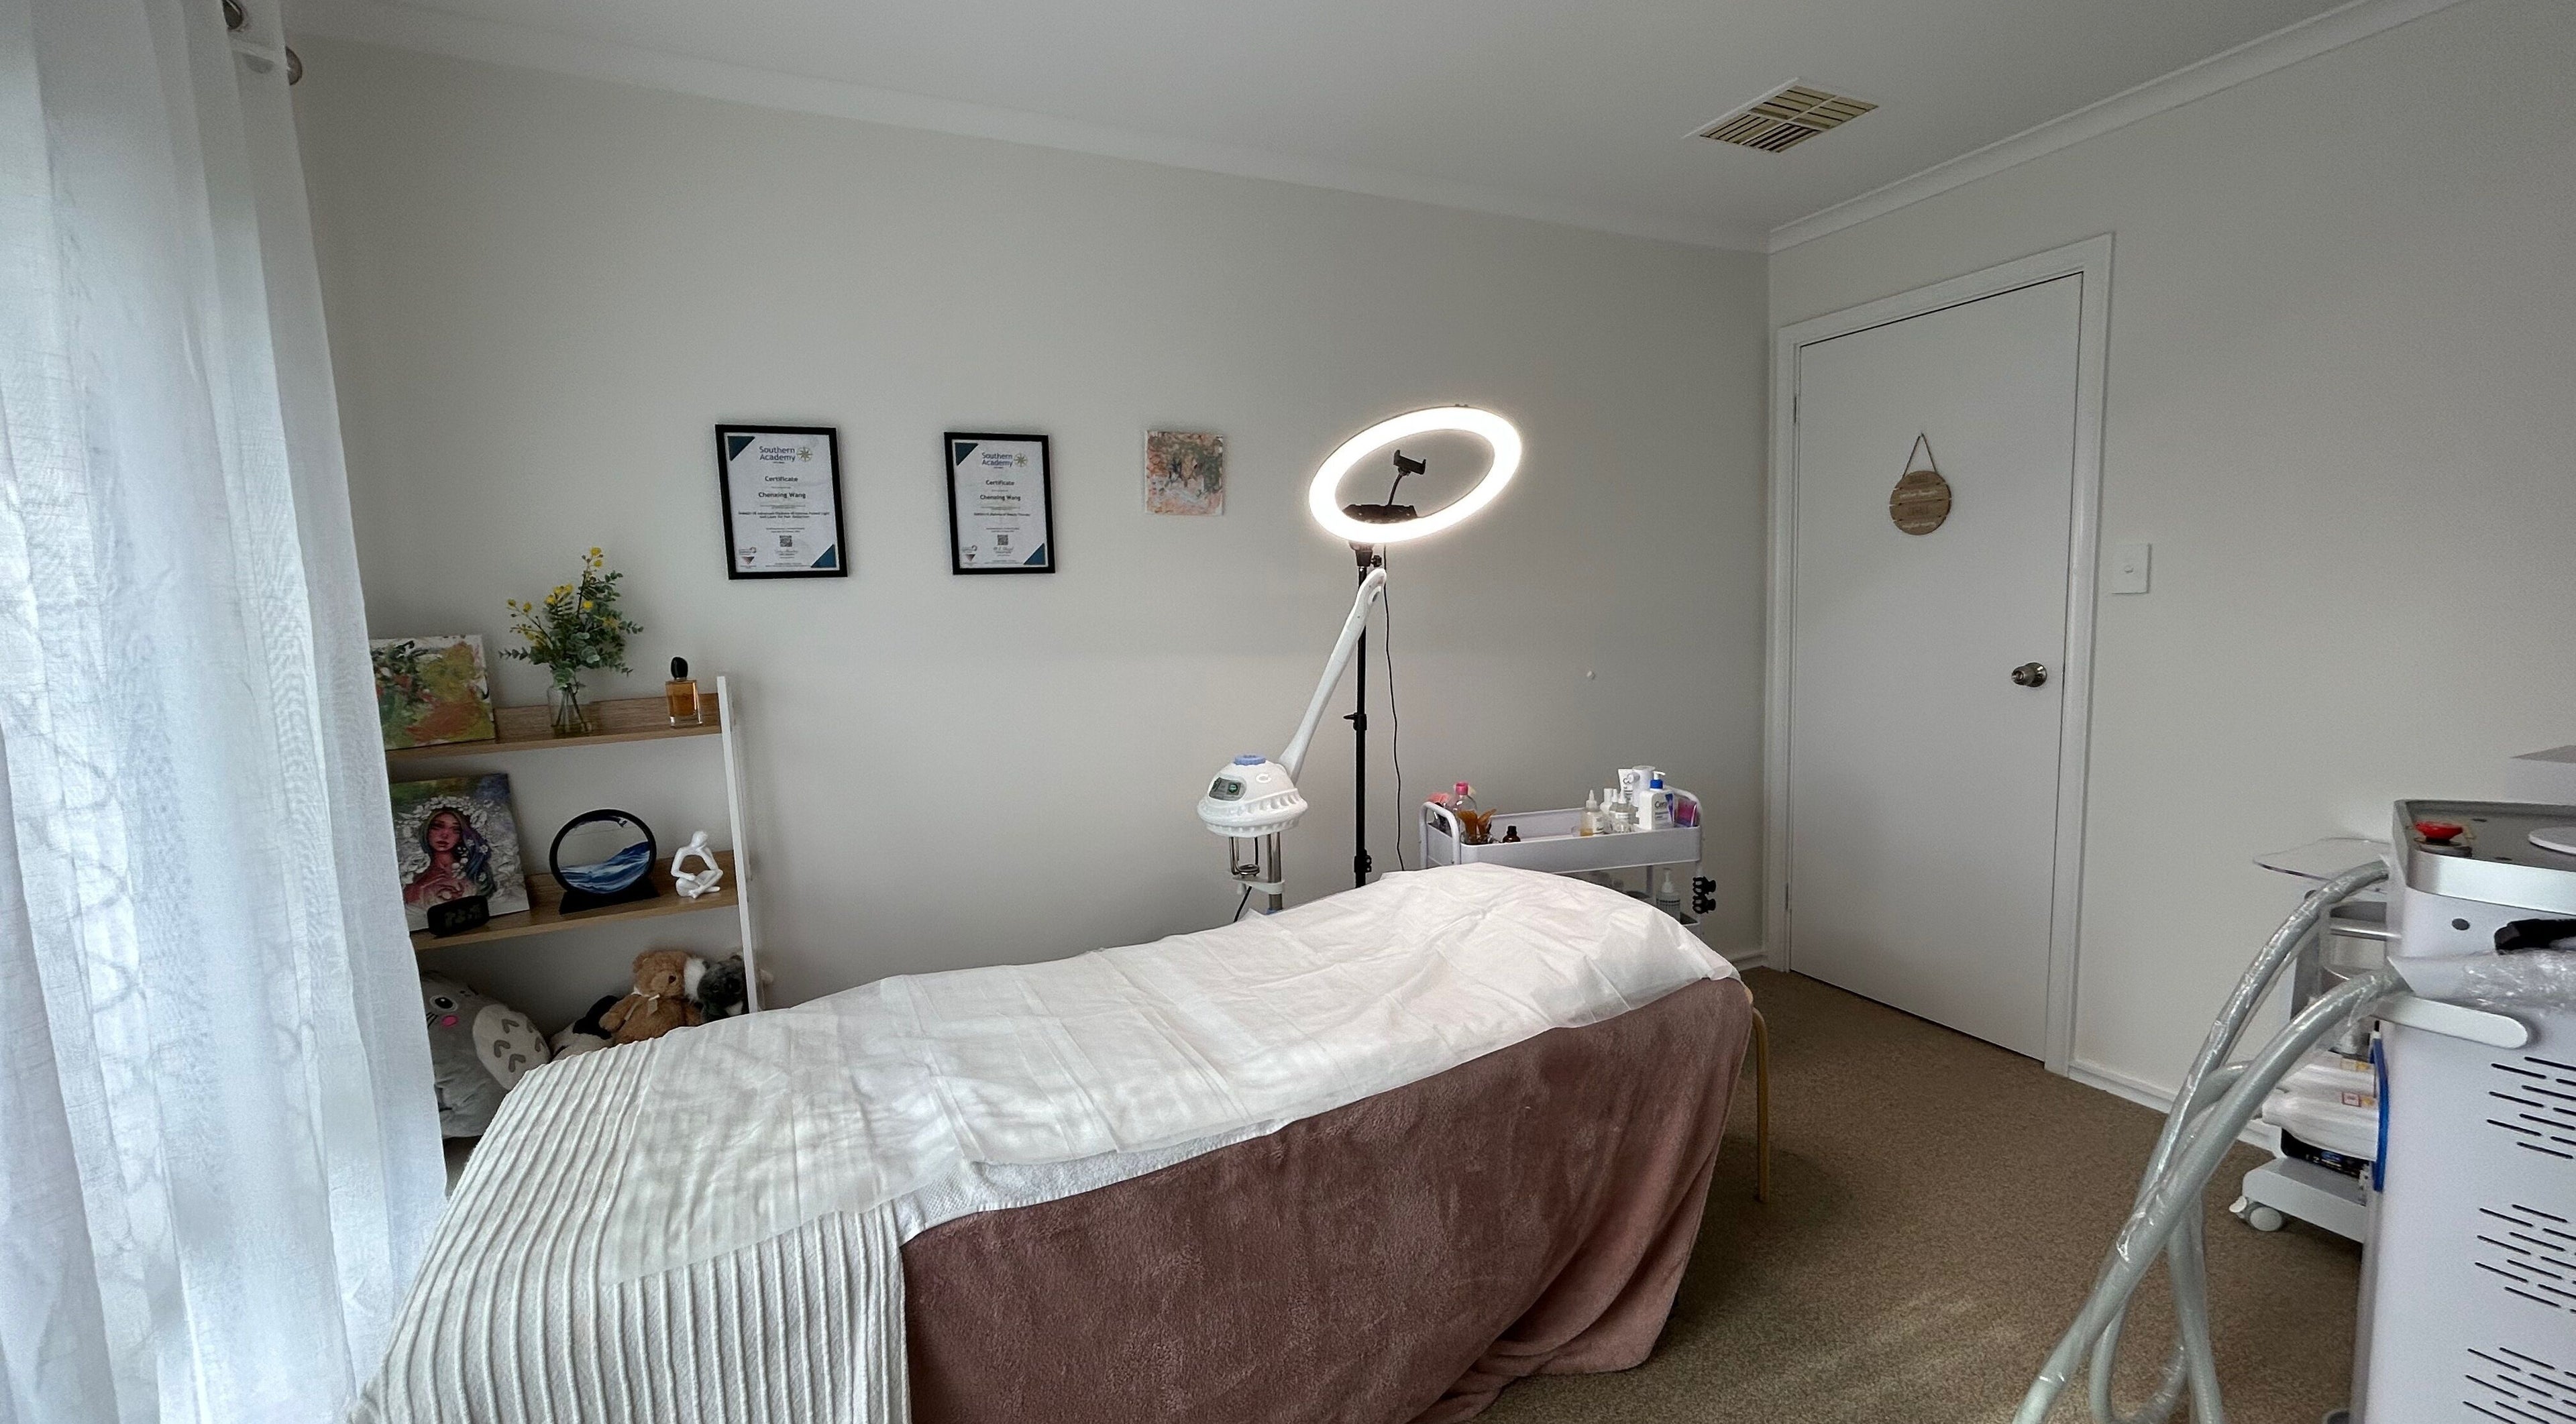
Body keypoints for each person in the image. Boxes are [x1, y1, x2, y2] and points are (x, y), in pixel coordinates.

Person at [404, 805, 495, 909]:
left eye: (456, 830)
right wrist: (420, 887)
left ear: (461, 837)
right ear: (427, 830)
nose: (445, 835)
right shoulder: (414, 876)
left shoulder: (474, 871)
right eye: (438, 827)